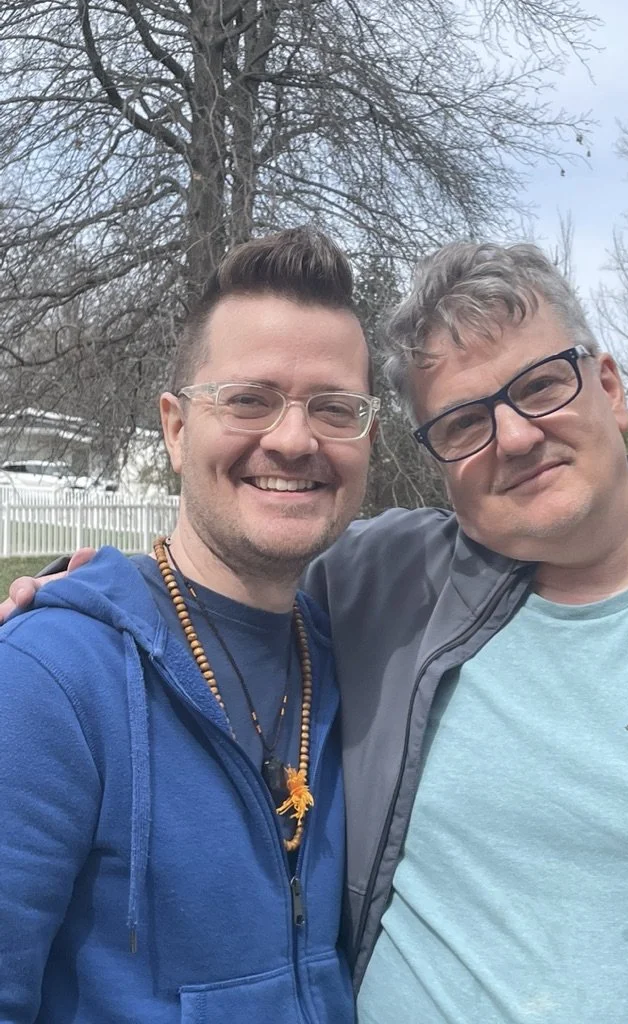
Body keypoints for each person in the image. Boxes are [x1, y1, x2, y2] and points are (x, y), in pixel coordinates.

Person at [7, 242, 628, 1024]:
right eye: (463, 421)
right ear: (174, 429)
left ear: (608, 388)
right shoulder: (391, 592)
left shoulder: (357, 617)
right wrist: (75, 607)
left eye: (541, 386)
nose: (514, 437)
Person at [0, 226, 378, 1021]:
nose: (293, 439)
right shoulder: (48, 679)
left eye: (334, 408)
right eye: (249, 400)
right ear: (176, 429)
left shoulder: (360, 667)